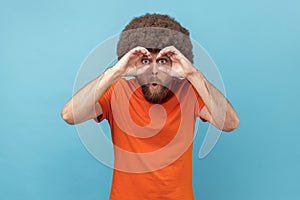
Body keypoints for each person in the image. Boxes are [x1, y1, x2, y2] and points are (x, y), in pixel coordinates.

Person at [61, 13, 239, 200]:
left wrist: (192, 74)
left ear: (175, 63)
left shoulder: (191, 92)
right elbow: (70, 115)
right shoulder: (117, 91)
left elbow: (230, 123)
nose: (154, 71)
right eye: (146, 61)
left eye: (162, 61)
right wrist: (116, 72)